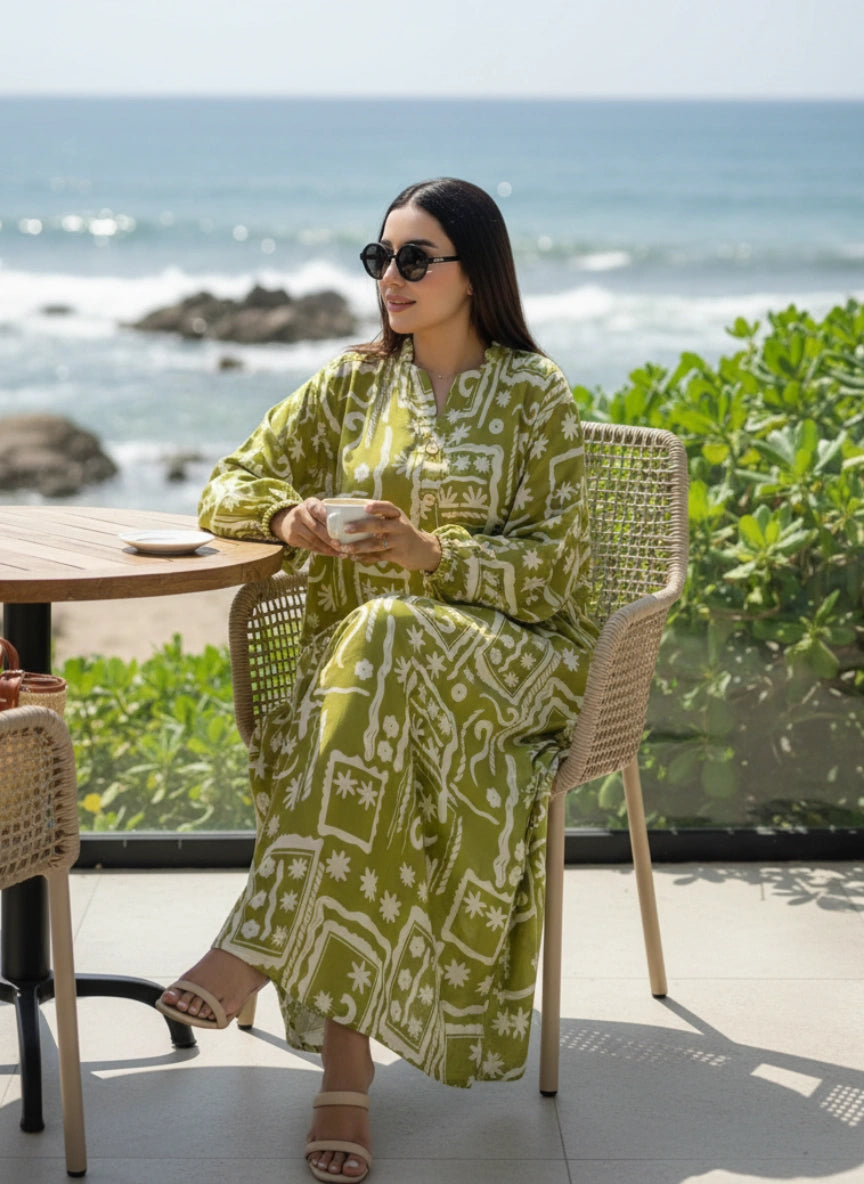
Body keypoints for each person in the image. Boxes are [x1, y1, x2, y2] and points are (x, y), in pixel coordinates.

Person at [157, 177, 597, 1183]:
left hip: (518, 659)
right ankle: (344, 1072)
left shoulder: (536, 394)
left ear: (474, 273)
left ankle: (256, 944)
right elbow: (227, 483)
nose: (389, 278)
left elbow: (561, 573)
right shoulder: (350, 386)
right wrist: (292, 519)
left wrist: (433, 553)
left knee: (386, 633)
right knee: (376, 726)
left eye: (414, 258)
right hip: (374, 673)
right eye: (378, 257)